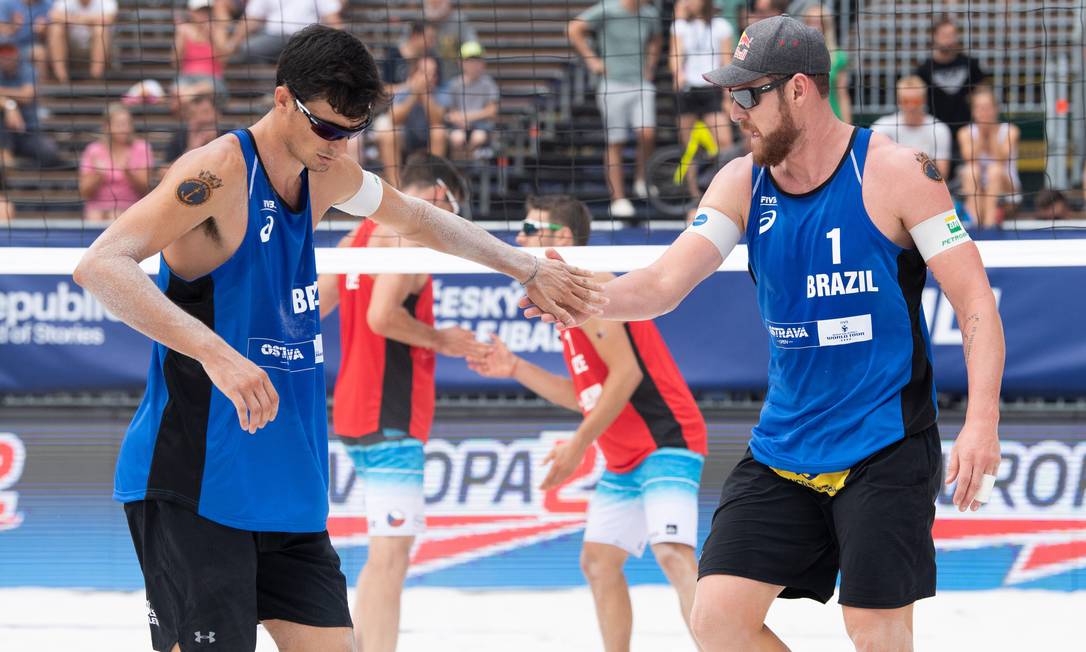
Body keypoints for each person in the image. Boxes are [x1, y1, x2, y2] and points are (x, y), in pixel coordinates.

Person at [73, 25, 601, 652]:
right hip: (196, 478)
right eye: (326, 127)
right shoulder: (216, 173)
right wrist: (216, 353)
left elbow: (421, 218)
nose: (338, 145)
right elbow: (100, 265)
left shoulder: (325, 172)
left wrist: (528, 265)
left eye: (352, 131)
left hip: (287, 486)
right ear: (281, 100)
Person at [524, 16, 1004, 652]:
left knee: (875, 632)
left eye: (749, 95)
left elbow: (974, 301)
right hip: (785, 444)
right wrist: (582, 297)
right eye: (731, 94)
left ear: (800, 89)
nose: (735, 111)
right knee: (718, 619)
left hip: (884, 444)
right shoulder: (742, 181)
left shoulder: (896, 172)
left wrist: (983, 422)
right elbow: (665, 283)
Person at [470, 194, 707, 652]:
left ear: (560, 238)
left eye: (528, 227)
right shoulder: (564, 300)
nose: (518, 238)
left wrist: (578, 447)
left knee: (673, 554)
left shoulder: (594, 284)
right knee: (598, 561)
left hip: (665, 441)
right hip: (625, 458)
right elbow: (585, 396)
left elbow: (627, 376)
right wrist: (515, 368)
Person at [316, 153, 486, 652]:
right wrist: (442, 340)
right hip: (390, 415)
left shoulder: (358, 236)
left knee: (383, 555)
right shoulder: (408, 237)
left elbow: (314, 305)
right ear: (436, 194)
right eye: (452, 210)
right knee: (392, 556)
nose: (451, 223)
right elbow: (381, 317)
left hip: (352, 411)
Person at [569, 0, 662, 218]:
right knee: (615, 142)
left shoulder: (650, 13)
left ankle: (642, 180)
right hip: (613, 85)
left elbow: (656, 39)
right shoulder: (607, 9)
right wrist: (593, 61)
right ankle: (618, 198)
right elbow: (574, 28)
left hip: (640, 83)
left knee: (647, 133)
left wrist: (650, 65)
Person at [670, 0, 734, 203]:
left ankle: (725, 191)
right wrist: (677, 73)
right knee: (689, 148)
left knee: (725, 142)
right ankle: (695, 195)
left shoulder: (721, 26)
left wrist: (727, 95)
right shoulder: (680, 26)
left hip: (711, 90)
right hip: (688, 90)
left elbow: (726, 61)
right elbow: (675, 55)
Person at [373, 23, 447, 187]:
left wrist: (424, 95)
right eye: (429, 38)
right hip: (401, 129)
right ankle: (397, 187)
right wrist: (414, 92)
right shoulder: (394, 56)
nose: (428, 78)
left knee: (439, 132)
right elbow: (393, 115)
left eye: (432, 74)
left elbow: (438, 119)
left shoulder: (438, 86)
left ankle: (433, 184)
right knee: (389, 132)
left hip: (427, 131)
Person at [915, 15, 987, 169]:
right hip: (935, 131)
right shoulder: (924, 70)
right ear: (935, 36)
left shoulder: (970, 64)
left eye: (952, 35)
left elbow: (982, 94)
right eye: (944, 35)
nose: (948, 39)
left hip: (966, 131)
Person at [78, 102, 153, 222]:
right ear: (107, 126)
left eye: (127, 124)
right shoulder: (93, 150)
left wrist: (129, 173)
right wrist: (98, 175)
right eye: (119, 124)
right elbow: (84, 191)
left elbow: (145, 189)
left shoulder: (141, 148)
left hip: (131, 207)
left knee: (116, 216)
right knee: (95, 217)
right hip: (97, 208)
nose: (125, 129)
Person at [957, 86, 1020, 228]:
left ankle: (988, 227)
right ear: (973, 111)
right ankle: (975, 223)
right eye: (979, 108)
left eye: (987, 107)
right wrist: (981, 132)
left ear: (996, 109)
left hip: (1006, 187)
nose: (984, 112)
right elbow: (969, 157)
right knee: (970, 170)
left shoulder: (1011, 130)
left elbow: (1001, 158)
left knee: (995, 170)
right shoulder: (965, 132)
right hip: (977, 188)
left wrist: (991, 132)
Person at [870, 75, 953, 179]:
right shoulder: (882, 127)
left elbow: (942, 173)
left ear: (924, 100)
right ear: (898, 101)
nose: (911, 106)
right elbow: (872, 167)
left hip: (926, 186)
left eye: (916, 101)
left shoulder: (938, 129)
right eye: (905, 101)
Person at [0, 42, 62, 168]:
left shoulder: (27, 69)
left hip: (28, 131)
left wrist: (4, 95)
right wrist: (9, 105)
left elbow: (26, 96)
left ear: (17, 54)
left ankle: (19, 169)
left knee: (50, 154)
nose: (6, 57)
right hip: (4, 133)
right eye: (3, 54)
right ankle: (5, 158)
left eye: (9, 53)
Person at [230, 0, 341, 64]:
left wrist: (338, 44)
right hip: (273, 38)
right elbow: (252, 18)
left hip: (305, 39)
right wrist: (232, 44)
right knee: (247, 48)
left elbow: (332, 19)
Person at [445, 40, 499, 160]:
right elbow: (451, 113)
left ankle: (470, 163)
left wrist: (466, 117)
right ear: (461, 63)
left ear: (482, 63)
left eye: (477, 60)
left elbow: (491, 111)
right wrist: (461, 120)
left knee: (478, 137)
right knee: (456, 138)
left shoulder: (488, 84)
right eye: (469, 60)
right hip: (459, 127)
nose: (473, 64)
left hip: (482, 127)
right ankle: (459, 168)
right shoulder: (454, 84)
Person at [174, 0, 235, 100]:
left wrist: (213, 36)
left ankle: (189, 95)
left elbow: (224, 61)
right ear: (191, 12)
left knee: (198, 91)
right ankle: (189, 96)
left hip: (212, 80)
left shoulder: (218, 31)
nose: (204, 14)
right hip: (187, 78)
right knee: (177, 92)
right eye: (200, 11)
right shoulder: (184, 30)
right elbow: (175, 63)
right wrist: (180, 39)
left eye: (207, 11)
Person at [800, 3, 849, 123]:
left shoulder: (838, 57)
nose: (814, 26)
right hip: (805, 119)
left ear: (826, 26)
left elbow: (842, 95)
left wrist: (849, 127)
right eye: (810, 21)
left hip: (833, 119)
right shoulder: (797, 55)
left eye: (819, 22)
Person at [46, 0, 116, 82]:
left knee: (100, 29)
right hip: (71, 48)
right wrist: (85, 20)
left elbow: (108, 19)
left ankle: (95, 78)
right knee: (56, 28)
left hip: (100, 50)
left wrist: (76, 19)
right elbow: (53, 15)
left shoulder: (106, 2)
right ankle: (61, 78)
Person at [422, 0, 478, 84]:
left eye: (438, 1)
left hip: (455, 80)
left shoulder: (459, 20)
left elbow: (473, 45)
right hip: (426, 80)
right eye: (431, 1)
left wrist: (469, 67)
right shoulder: (420, 21)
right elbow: (405, 48)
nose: (434, 3)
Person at [163, 93, 223, 164]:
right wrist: (191, 149)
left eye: (206, 112)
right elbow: (164, 171)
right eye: (193, 114)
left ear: (218, 114)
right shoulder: (180, 138)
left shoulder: (230, 136)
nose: (202, 119)